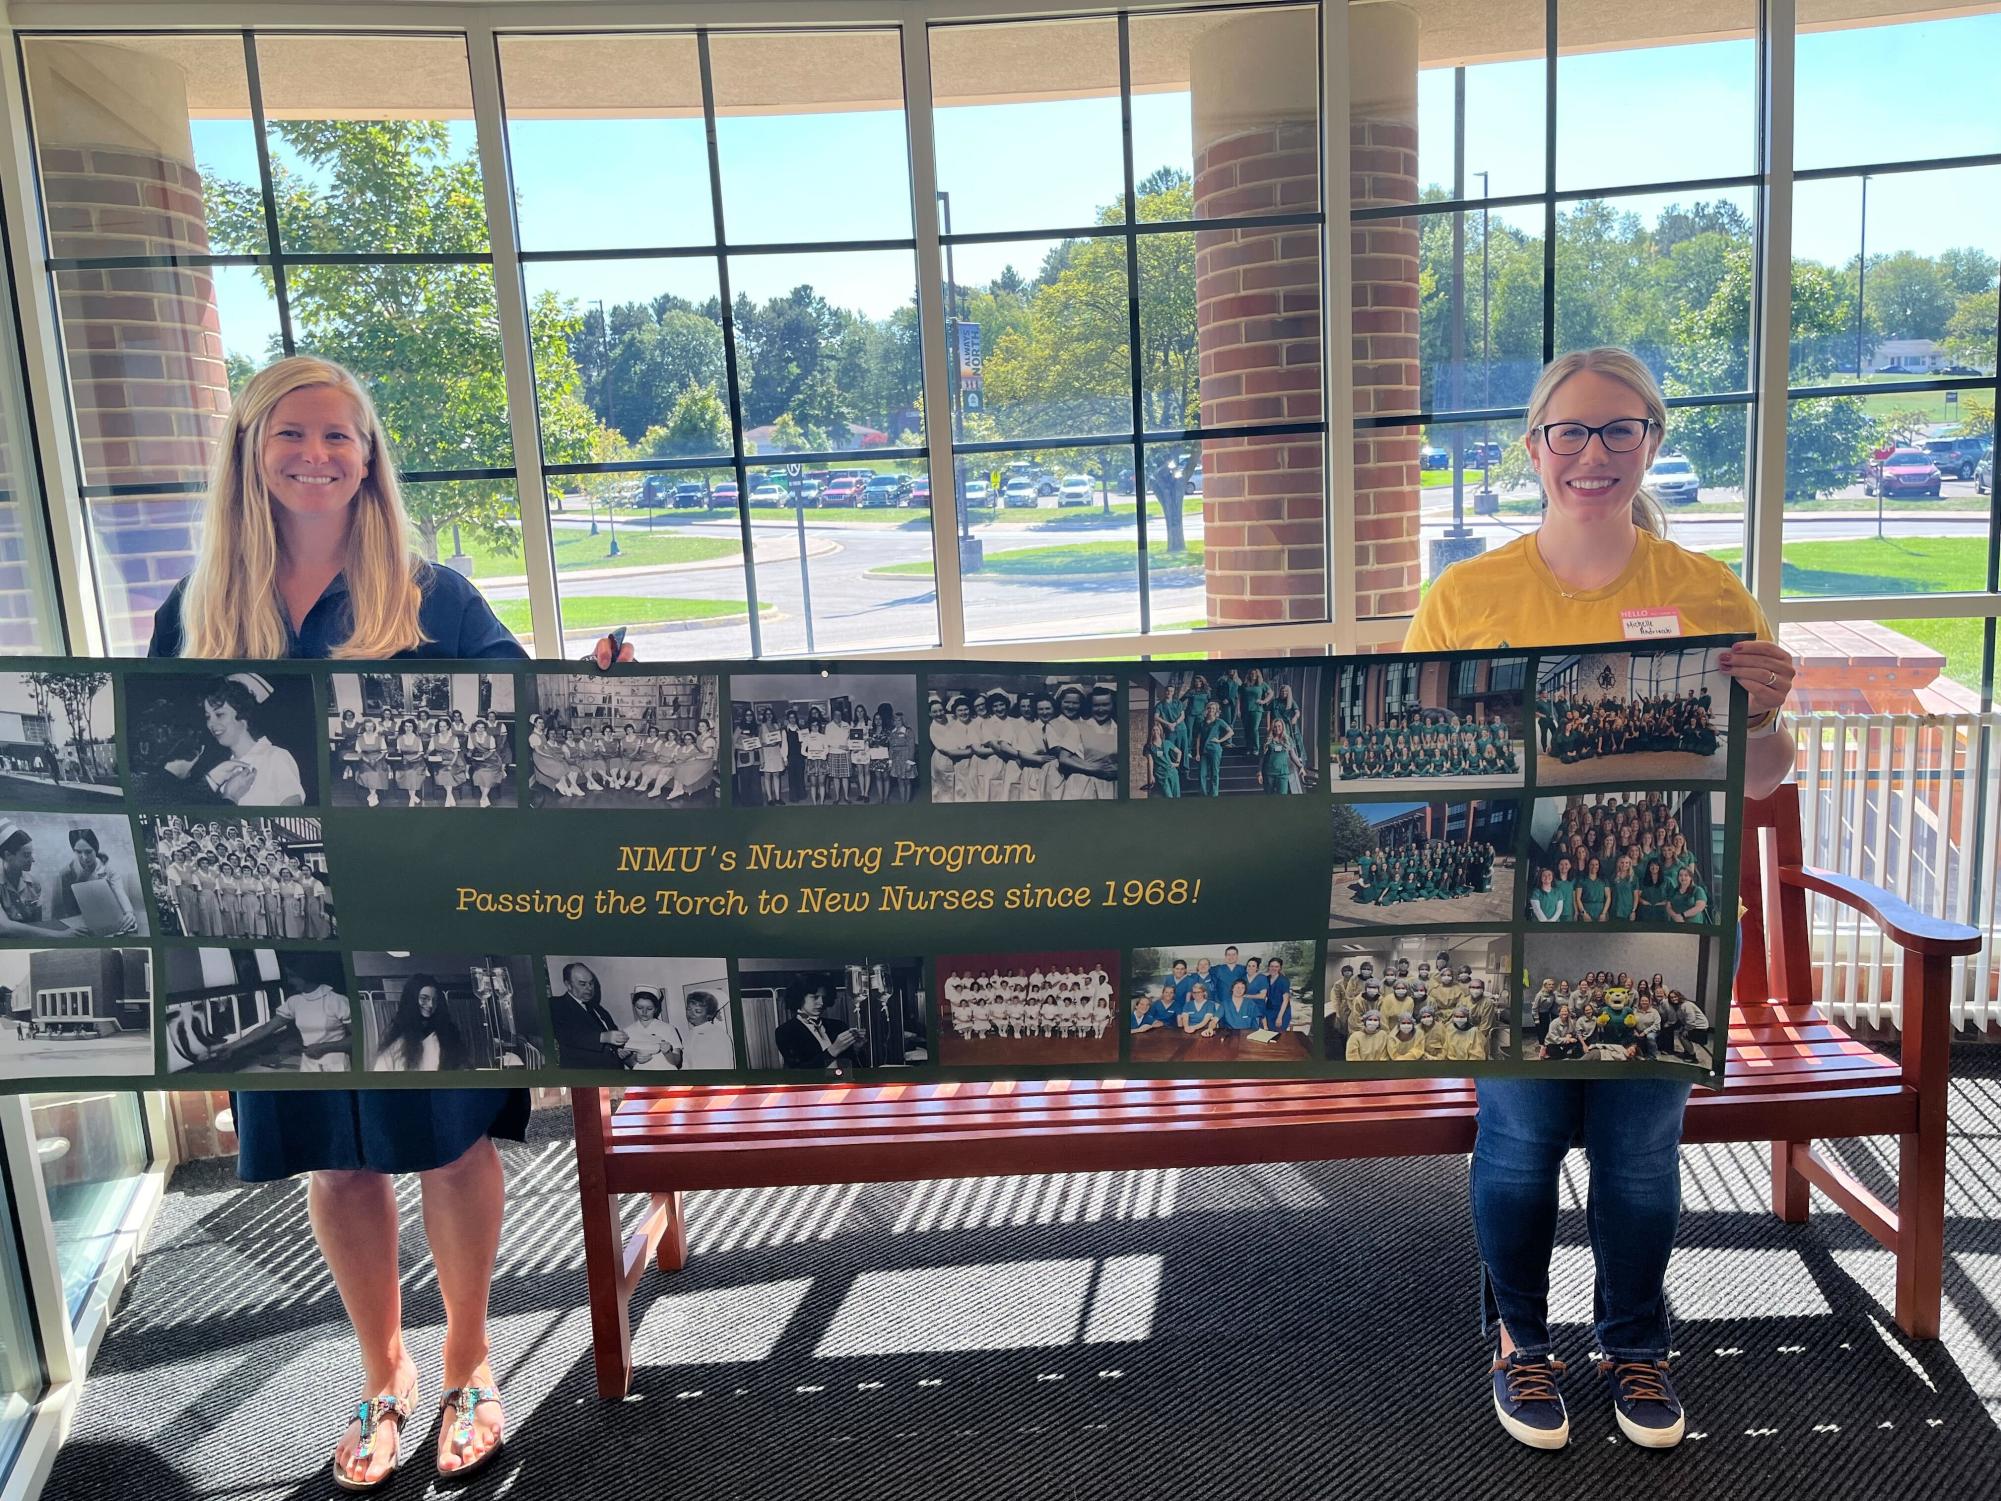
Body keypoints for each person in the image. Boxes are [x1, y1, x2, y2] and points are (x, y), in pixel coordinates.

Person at [149, 354, 634, 1489]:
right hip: (283, 933)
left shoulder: (432, 593)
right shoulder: (197, 607)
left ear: (370, 460)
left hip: (430, 923)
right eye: (292, 435)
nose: (318, 456)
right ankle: (385, 1373)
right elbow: (155, 774)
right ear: (249, 451)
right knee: (336, 1160)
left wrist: (594, 686)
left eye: (341, 437)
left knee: (450, 1144)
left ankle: (470, 1362)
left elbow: (524, 722)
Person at [1404, 347, 1797, 1452]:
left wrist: (1766, 712)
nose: (1593, 454)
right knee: (1519, 1145)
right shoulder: (1465, 597)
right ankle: (1520, 1344)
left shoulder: (1711, 592)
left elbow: (1763, 776)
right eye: (1569, 432)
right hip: (1511, 928)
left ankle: (1638, 1344)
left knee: (1638, 1156)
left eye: (1619, 431)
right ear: (1531, 448)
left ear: (1653, 443)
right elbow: (1409, 773)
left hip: (1658, 926)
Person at [372, 974, 469, 1073]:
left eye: (434, 999)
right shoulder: (397, 1041)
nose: (430, 1005)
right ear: (412, 999)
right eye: (424, 998)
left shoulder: (448, 1034)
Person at [550, 962, 633, 1070]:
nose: (589, 988)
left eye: (591, 983)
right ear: (568, 985)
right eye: (583, 984)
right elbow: (567, 1035)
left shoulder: (599, 1009)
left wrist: (619, 1052)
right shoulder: (556, 1004)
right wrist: (603, 1037)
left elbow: (611, 1043)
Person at [622, 988, 684, 1071]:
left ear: (656, 1009)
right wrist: (635, 1059)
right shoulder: (627, 1031)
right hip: (641, 1077)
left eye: (649, 1008)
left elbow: (677, 1062)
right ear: (634, 1006)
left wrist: (667, 1053)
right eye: (639, 1007)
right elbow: (629, 1063)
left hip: (666, 1075)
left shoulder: (668, 1029)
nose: (644, 1012)